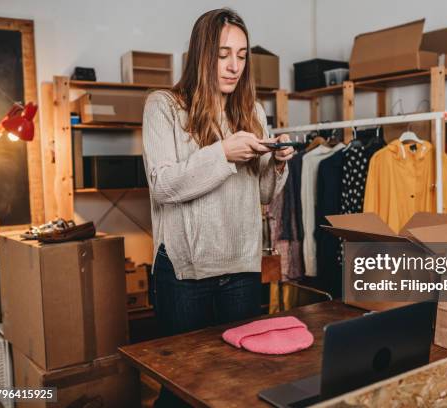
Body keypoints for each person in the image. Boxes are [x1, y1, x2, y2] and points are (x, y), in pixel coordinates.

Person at [142, 8, 293, 407]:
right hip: (185, 272)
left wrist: (278, 163)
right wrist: (223, 154)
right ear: (201, 53)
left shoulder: (252, 113)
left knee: (238, 383)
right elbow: (163, 186)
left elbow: (262, 194)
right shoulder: (165, 107)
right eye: (223, 53)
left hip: (241, 268)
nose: (233, 66)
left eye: (242, 56)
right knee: (183, 390)